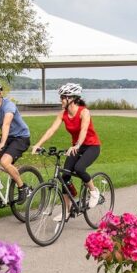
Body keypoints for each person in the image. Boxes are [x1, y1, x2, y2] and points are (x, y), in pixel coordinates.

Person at [31, 83, 101, 218]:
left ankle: (93, 191)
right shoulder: (63, 114)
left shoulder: (84, 112)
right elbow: (51, 130)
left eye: (63, 97)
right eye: (61, 97)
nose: (61, 100)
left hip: (91, 146)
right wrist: (38, 144)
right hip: (76, 147)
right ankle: (67, 211)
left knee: (79, 168)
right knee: (65, 176)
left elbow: (84, 130)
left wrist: (77, 145)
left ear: (72, 99)